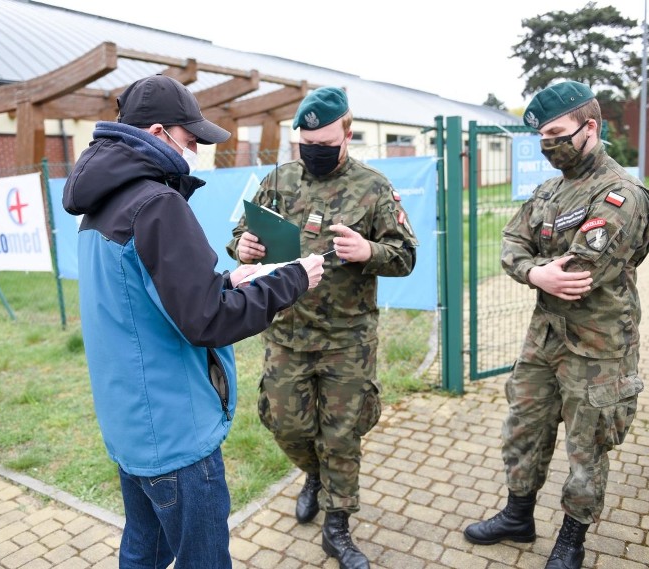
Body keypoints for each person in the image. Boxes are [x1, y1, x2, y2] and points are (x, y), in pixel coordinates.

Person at [62, 74, 324, 569]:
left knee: (143, 549)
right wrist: (291, 280)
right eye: (191, 140)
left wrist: (227, 280)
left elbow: (146, 296)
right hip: (175, 432)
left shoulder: (101, 201)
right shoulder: (157, 204)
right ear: (158, 133)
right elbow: (207, 323)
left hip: (131, 423)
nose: (197, 152)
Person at [462, 80, 649, 569]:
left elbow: (577, 275)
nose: (548, 144)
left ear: (590, 128)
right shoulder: (550, 189)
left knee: (587, 446)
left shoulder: (621, 194)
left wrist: (543, 270)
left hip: (598, 345)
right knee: (524, 427)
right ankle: (517, 516)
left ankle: (572, 540)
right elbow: (511, 242)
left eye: (557, 132)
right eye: (542, 136)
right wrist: (533, 271)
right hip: (543, 338)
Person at [226, 86, 418, 569]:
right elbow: (239, 235)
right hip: (286, 332)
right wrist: (242, 248)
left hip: (346, 340)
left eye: (323, 141)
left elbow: (407, 255)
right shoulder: (277, 180)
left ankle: (338, 527)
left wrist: (369, 251)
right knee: (285, 423)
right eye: (304, 142)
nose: (312, 150)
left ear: (347, 134)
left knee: (341, 434)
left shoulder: (374, 189)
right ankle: (312, 475)